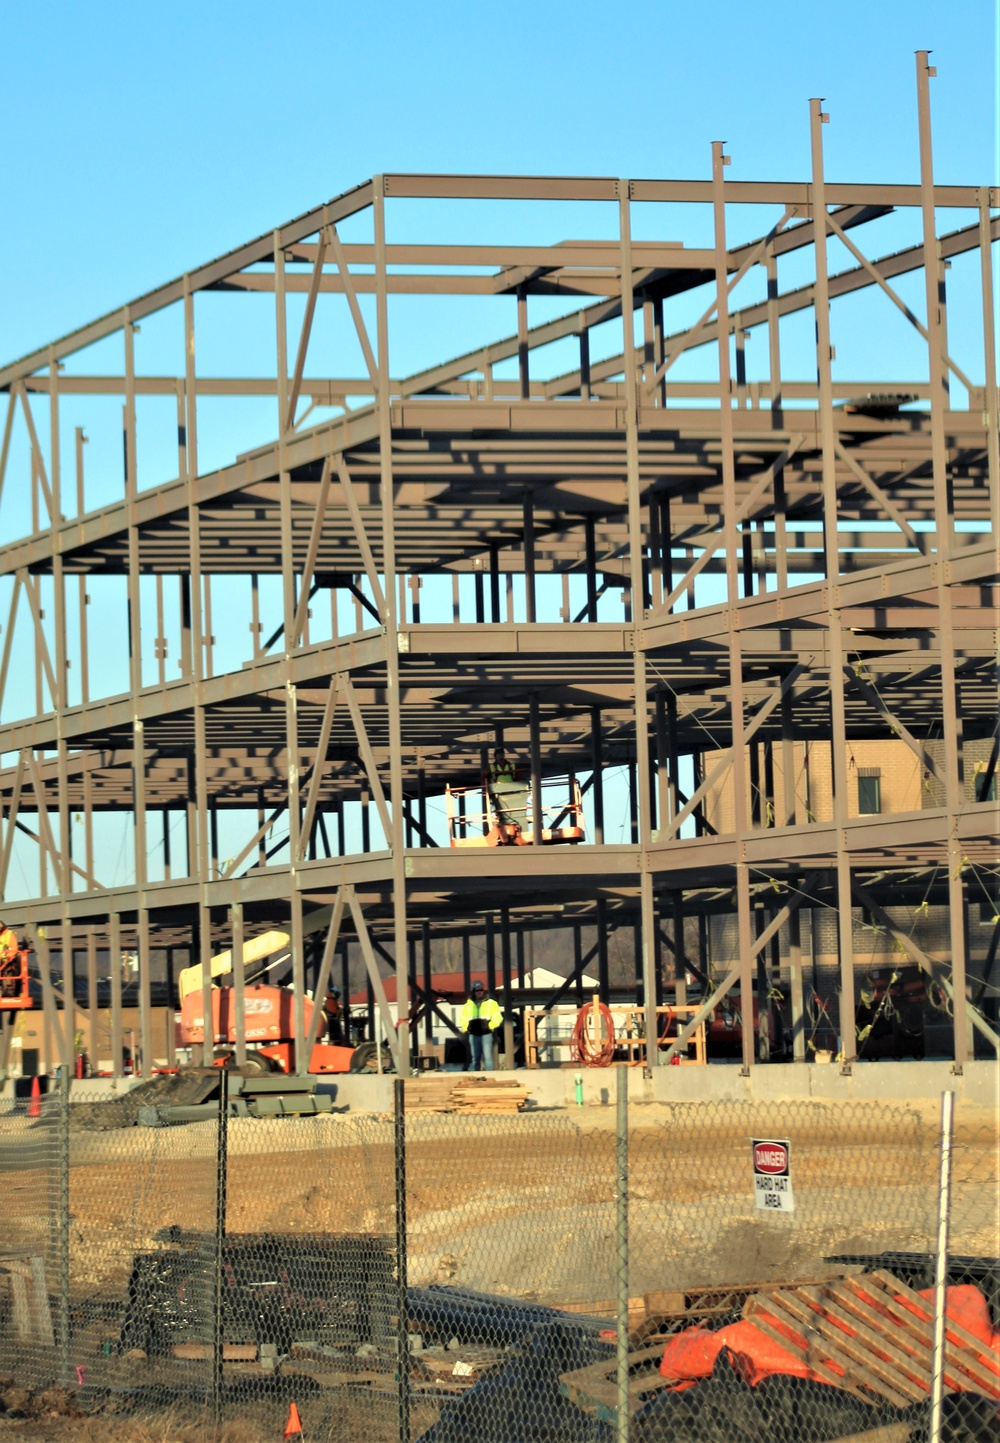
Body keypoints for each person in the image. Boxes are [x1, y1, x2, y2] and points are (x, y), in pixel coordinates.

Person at [458, 981, 503, 1071]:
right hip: (473, 1034)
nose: (479, 992)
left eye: (481, 990)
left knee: (488, 1057)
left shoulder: (492, 1003)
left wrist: (490, 1026)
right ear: (473, 991)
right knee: (475, 1057)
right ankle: (476, 1075)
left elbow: (498, 1017)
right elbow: (463, 1018)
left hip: (486, 1033)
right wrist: (467, 1028)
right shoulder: (468, 1005)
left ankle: (489, 1075)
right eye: (477, 990)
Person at [487, 748, 529, 838]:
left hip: (512, 792)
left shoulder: (511, 766)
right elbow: (485, 776)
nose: (501, 756)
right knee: (503, 812)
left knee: (515, 810)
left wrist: (523, 782)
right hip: (500, 793)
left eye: (502, 754)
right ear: (495, 756)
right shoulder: (492, 767)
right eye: (499, 755)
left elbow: (518, 776)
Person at [0, 919, 20, 999]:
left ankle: (8, 993)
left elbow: (14, 949)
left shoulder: (9, 934)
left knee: (8, 974)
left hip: (7, 961)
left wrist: (7, 959)